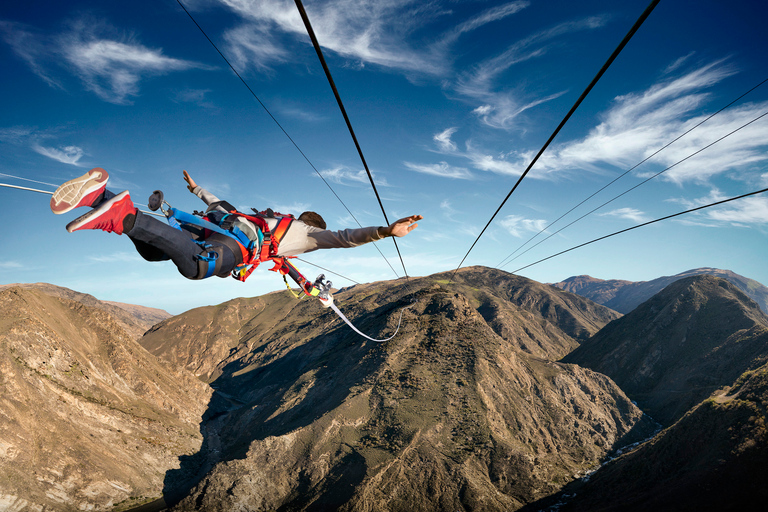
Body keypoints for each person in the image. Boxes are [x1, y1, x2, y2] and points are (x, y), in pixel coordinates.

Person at [51, 168, 422, 282]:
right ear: (312, 225)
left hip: (213, 226)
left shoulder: (266, 218)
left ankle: (99, 196)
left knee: (155, 253)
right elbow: (343, 238)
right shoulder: (307, 235)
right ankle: (121, 216)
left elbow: (217, 204)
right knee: (198, 267)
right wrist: (386, 232)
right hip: (232, 246)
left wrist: (196, 188)